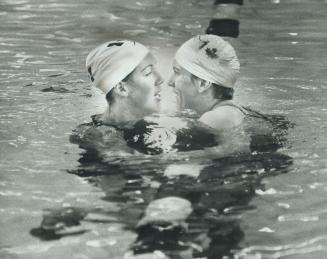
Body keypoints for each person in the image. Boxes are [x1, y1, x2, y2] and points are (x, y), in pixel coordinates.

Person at [169, 34, 246, 131]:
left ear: (203, 83)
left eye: (177, 72)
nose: (170, 82)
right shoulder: (230, 112)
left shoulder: (217, 118)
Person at [85, 40, 163, 127]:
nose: (160, 79)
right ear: (121, 88)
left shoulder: (148, 125)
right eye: (148, 72)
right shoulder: (99, 137)